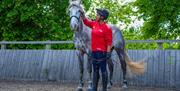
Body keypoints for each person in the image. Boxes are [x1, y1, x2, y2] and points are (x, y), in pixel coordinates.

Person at [81, 8, 112, 91]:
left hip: (102, 53)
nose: (96, 16)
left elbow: (109, 42)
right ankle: (94, 89)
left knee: (103, 71)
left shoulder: (107, 28)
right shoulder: (94, 24)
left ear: (102, 17)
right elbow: (86, 22)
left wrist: (108, 53)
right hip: (94, 52)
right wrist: (82, 14)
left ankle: (104, 89)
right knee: (95, 70)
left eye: (98, 14)